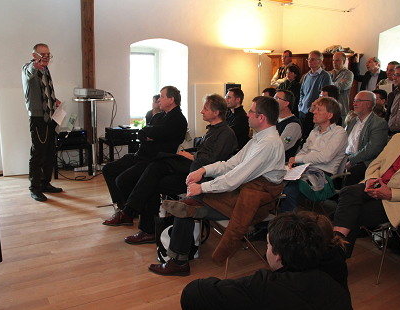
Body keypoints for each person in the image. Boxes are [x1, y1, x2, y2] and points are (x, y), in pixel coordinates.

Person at [148, 96, 286, 275]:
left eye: (251, 112)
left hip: (252, 204)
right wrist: (204, 170)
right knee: (189, 202)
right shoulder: (259, 139)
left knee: (187, 207)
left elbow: (234, 178)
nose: (247, 115)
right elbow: (230, 164)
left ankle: (179, 262)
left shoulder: (268, 144)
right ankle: (181, 254)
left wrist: (203, 187)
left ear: (261, 118)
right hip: (241, 191)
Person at [102, 94, 237, 246]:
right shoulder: (213, 130)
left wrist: (191, 156)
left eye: (205, 108)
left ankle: (133, 217)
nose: (201, 111)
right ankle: (146, 228)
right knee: (151, 177)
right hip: (193, 171)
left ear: (216, 112)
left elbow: (213, 161)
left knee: (154, 170)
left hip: (200, 179)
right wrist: (191, 154)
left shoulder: (226, 133)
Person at [180, 212, 353, 310]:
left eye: (269, 245)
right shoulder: (331, 281)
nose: (266, 251)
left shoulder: (267, 286)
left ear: (279, 255)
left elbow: (193, 292)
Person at [333, 105, 400, 257]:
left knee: (347, 215)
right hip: (374, 187)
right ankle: (335, 256)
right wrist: (371, 179)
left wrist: (391, 193)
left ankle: (335, 255)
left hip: (399, 202)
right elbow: (376, 163)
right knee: (348, 193)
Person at [101, 86, 187, 209]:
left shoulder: (178, 119)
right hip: (140, 155)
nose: (159, 100)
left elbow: (154, 133)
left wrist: (150, 135)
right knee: (108, 169)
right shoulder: (159, 116)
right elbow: (142, 133)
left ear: (171, 99)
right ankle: (122, 204)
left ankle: (130, 209)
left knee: (122, 180)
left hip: (154, 160)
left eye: (162, 97)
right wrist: (149, 135)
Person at [281, 97, 347, 213]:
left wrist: (296, 159)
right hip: (304, 168)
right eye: (315, 108)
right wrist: (293, 162)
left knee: (290, 190)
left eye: (319, 109)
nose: (314, 112)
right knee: (274, 179)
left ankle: (286, 225)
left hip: (322, 174)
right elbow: (304, 150)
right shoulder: (314, 131)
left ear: (330, 115)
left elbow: (325, 157)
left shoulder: (339, 132)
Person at [22, 43, 63, 202]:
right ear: (34, 56)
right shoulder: (28, 68)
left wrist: (55, 101)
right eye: (42, 54)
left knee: (50, 151)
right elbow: (30, 72)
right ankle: (35, 188)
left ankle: (45, 183)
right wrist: (35, 65)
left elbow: (46, 91)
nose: (46, 57)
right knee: (38, 153)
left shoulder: (46, 70)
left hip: (51, 116)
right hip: (38, 118)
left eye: (48, 54)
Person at [344, 91, 388, 186]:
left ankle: (344, 197)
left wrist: (351, 160)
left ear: (369, 104)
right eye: (354, 101)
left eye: (358, 101)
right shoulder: (352, 122)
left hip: (364, 160)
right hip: (347, 156)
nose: (354, 104)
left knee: (353, 171)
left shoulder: (379, 123)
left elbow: (372, 149)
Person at [298, 50, 333, 140]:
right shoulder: (306, 76)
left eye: (313, 59)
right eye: (309, 59)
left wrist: (314, 108)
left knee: (310, 138)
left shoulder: (325, 76)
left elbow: (324, 96)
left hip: (314, 112)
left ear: (320, 61)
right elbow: (302, 93)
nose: (310, 61)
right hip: (303, 111)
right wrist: (300, 106)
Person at [274, 89, 302, 161]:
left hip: (282, 164)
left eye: (277, 98)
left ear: (286, 103)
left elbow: (280, 146)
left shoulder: (293, 125)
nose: (274, 101)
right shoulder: (274, 120)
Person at [329, 52, 354, 119]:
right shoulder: (329, 73)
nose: (334, 62)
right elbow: (324, 87)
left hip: (342, 108)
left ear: (344, 61)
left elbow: (343, 86)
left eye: (337, 60)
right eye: (333, 60)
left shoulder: (348, 74)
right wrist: (337, 83)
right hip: (329, 108)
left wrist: (330, 84)